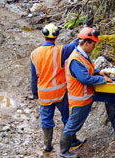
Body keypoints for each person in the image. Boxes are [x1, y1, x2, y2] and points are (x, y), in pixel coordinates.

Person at [59, 27, 115, 158]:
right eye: (93, 44)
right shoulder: (75, 59)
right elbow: (84, 78)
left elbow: (89, 68)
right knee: (73, 124)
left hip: (89, 93)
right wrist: (102, 79)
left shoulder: (83, 55)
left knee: (111, 95)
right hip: (80, 98)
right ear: (86, 43)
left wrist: (98, 72)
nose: (94, 46)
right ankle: (64, 152)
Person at [30, 23, 85, 153]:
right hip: (60, 93)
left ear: (44, 35)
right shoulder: (60, 51)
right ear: (56, 36)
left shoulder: (34, 54)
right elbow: (75, 44)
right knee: (67, 117)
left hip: (44, 95)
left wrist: (34, 92)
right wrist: (84, 30)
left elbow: (33, 77)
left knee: (46, 120)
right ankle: (72, 141)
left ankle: (47, 146)